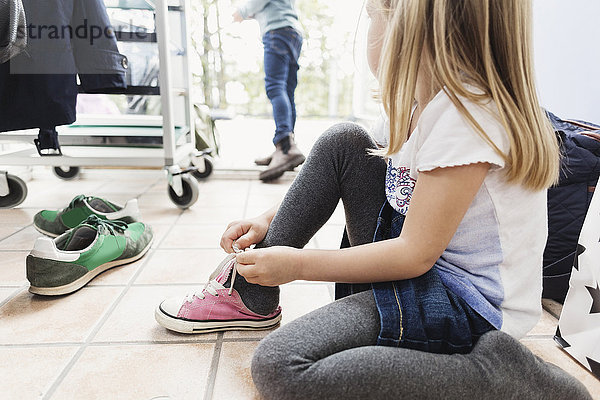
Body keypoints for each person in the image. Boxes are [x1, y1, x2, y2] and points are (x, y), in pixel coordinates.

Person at [155, 0, 592, 398]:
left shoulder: (467, 117)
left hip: (468, 307)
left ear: (409, 30)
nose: (368, 32)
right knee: (346, 140)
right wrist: (274, 221)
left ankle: (496, 373)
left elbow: (415, 254)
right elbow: (365, 179)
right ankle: (252, 296)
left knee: (281, 367)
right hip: (423, 270)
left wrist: (298, 265)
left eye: (373, 17)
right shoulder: (421, 103)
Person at [232, 0, 306, 182]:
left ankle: (285, 147)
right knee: (287, 92)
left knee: (275, 87)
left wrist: (241, 11)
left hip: (277, 32)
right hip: (293, 33)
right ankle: (287, 146)